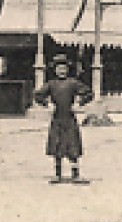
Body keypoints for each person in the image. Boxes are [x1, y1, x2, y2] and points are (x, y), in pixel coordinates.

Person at [34, 54, 93, 183]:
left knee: (73, 147)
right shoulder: (51, 84)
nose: (61, 71)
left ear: (67, 69)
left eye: (64, 68)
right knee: (57, 146)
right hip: (57, 118)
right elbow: (38, 95)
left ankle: (75, 174)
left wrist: (79, 103)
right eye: (59, 68)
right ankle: (57, 174)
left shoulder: (73, 83)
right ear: (55, 70)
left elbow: (89, 93)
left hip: (70, 118)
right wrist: (47, 104)